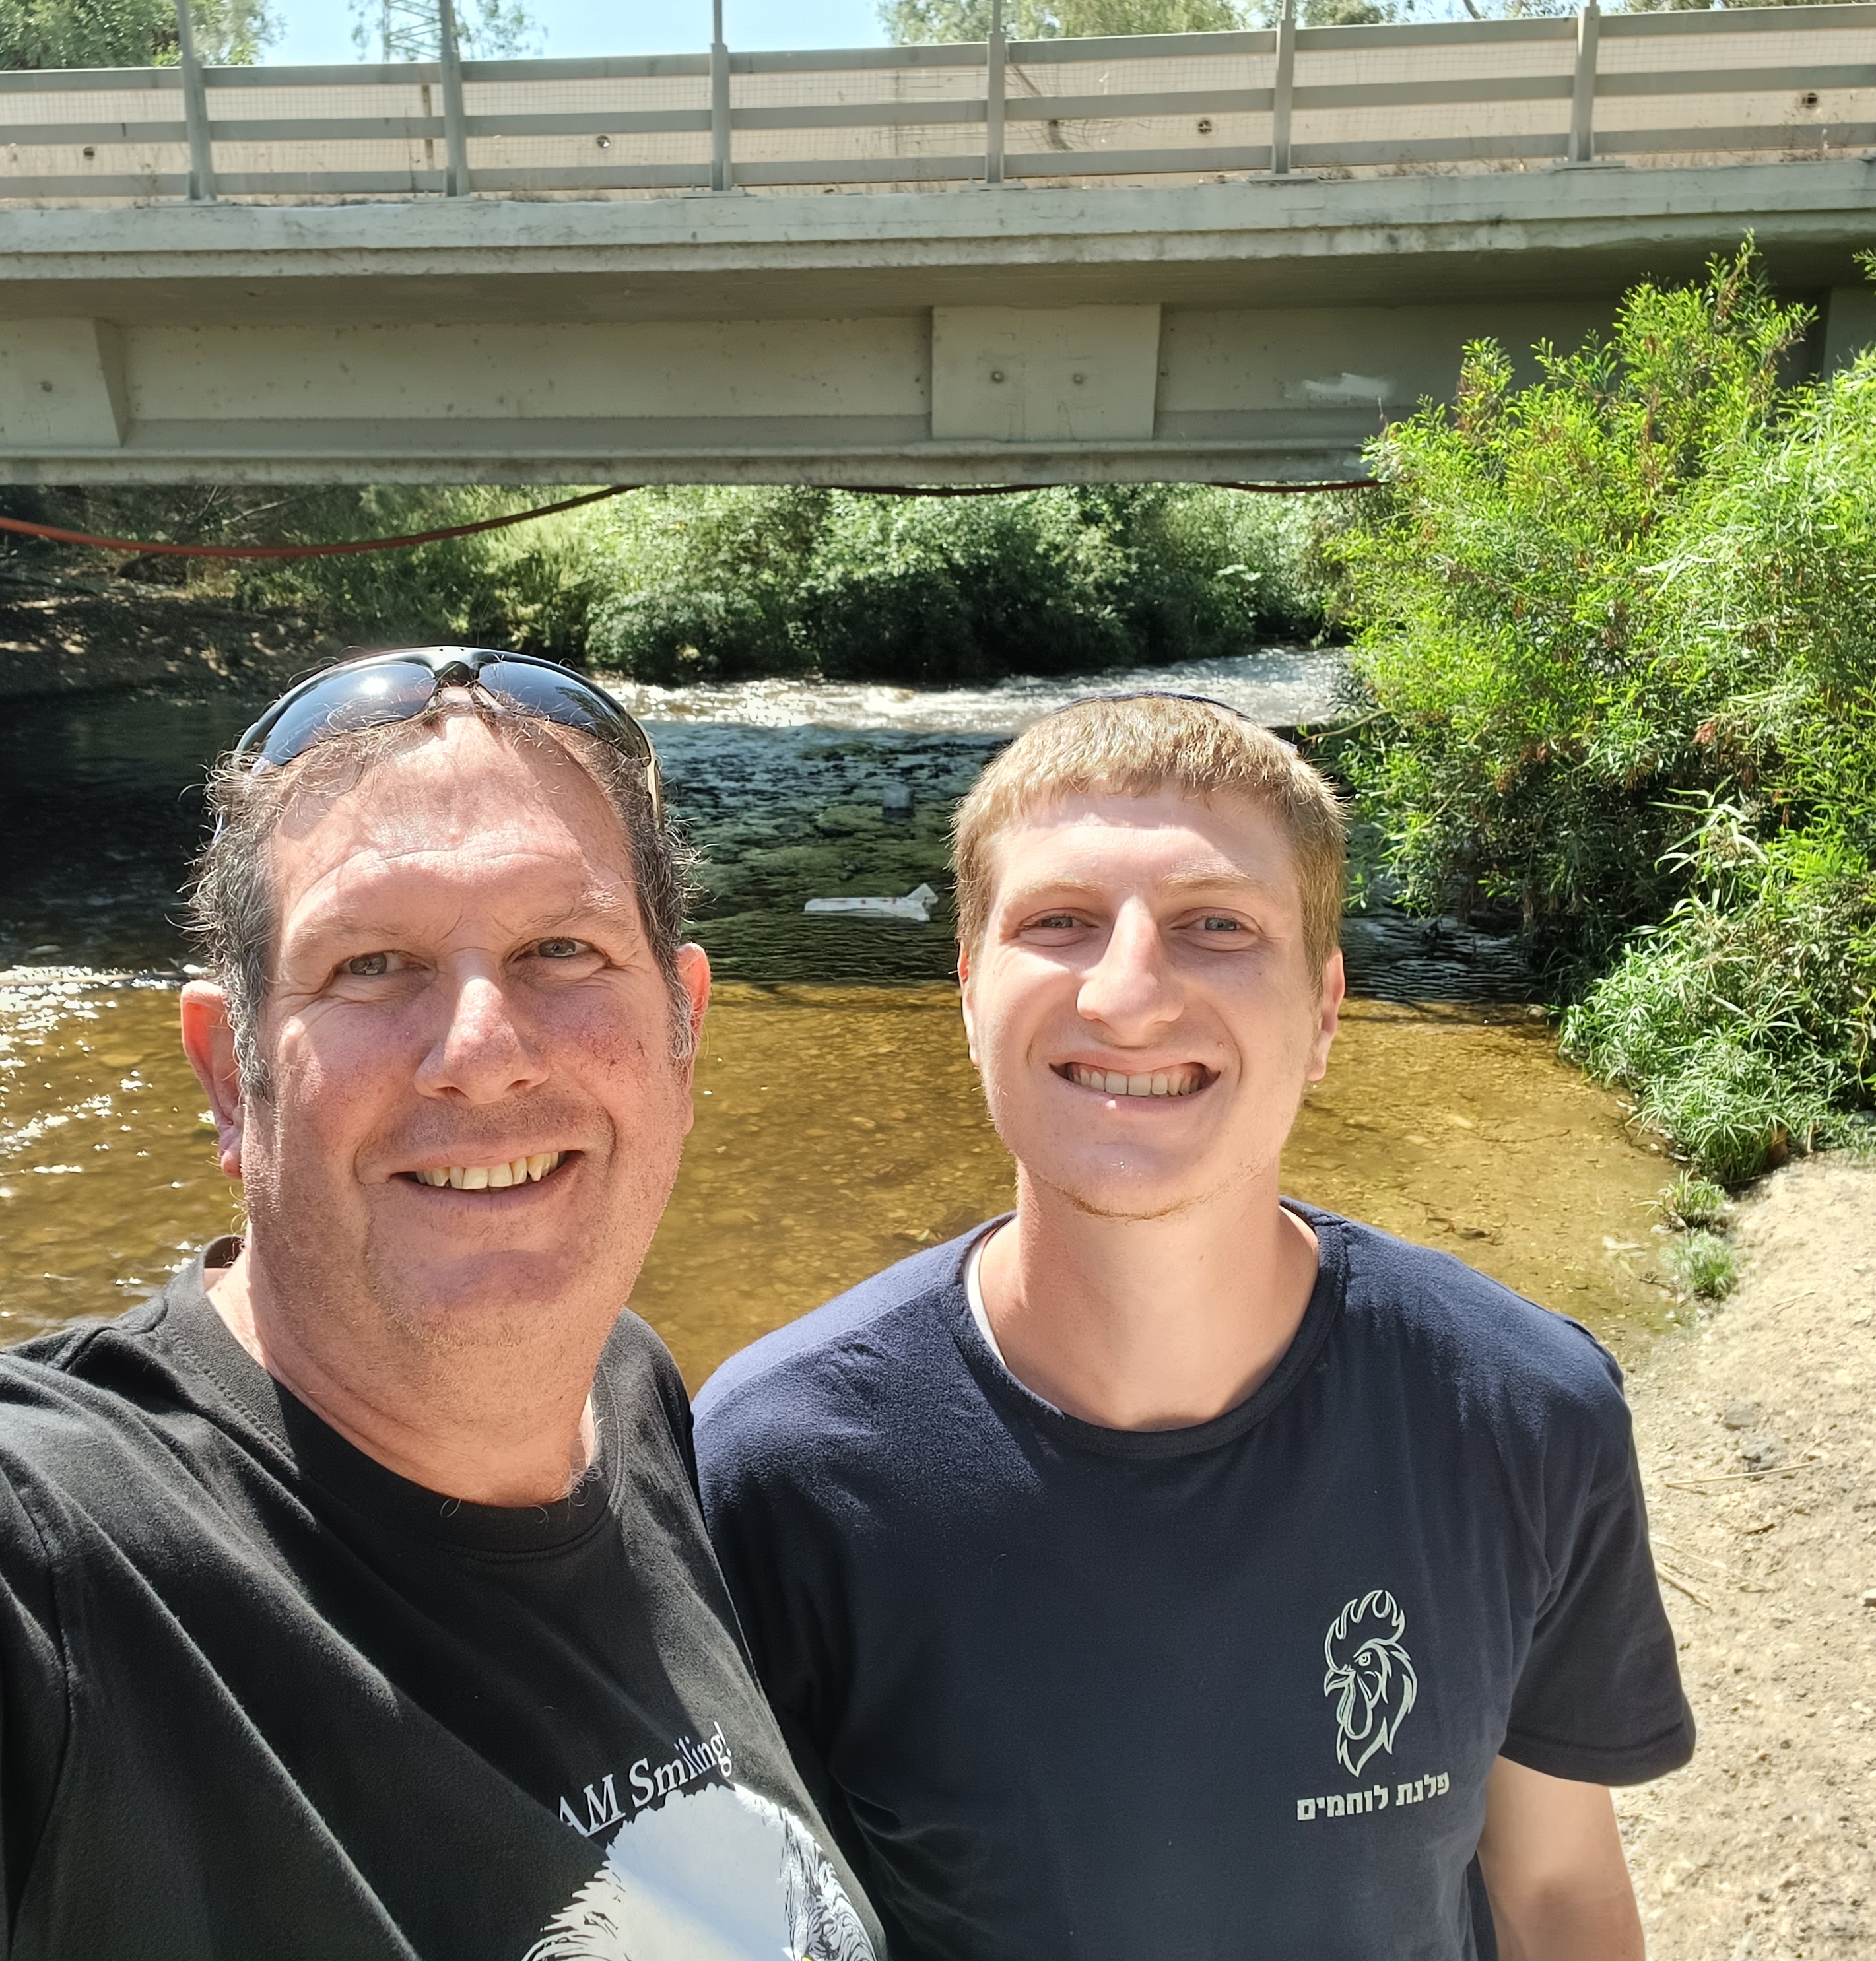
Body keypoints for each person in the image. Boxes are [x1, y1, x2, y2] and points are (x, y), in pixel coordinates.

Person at [0, 649, 880, 1961]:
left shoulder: (629, 1395)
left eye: (563, 950)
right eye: (369, 965)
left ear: (682, 1034)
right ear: (227, 1075)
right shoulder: (19, 1574)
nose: (481, 1049)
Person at [694, 692, 1693, 1961]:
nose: (1127, 995)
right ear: (970, 993)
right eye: (1058, 922)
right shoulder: (774, 1467)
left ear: (1324, 1010)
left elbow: (1555, 1890)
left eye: (1215, 925)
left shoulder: (1522, 1409)